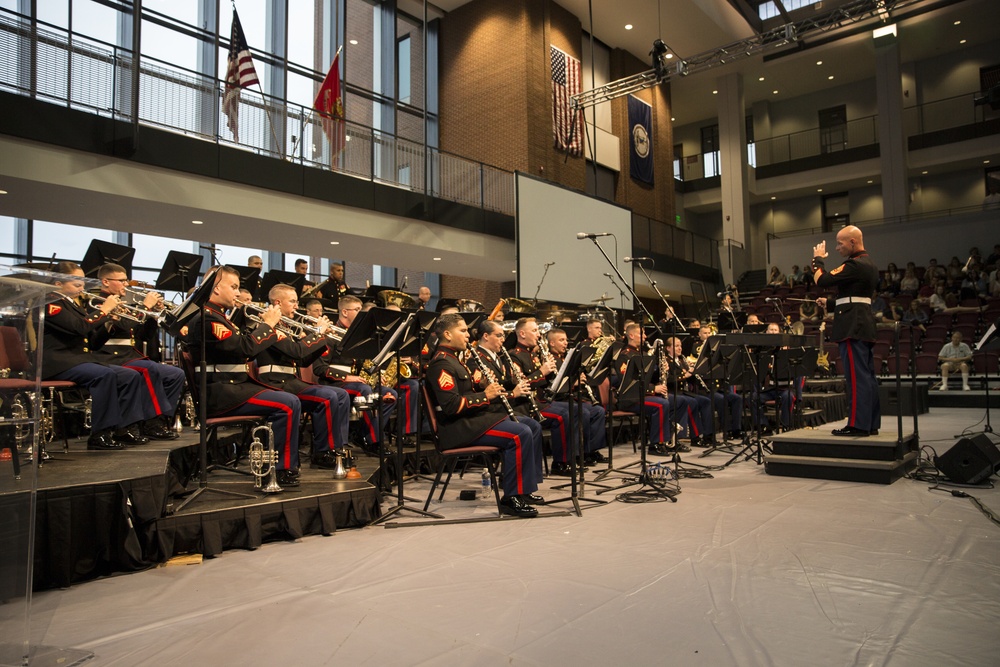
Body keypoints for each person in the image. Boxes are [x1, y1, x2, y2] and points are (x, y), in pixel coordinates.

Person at [186, 266, 302, 486]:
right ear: (217, 287)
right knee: (287, 403)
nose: (238, 293)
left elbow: (244, 349)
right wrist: (267, 325)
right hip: (222, 392)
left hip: (235, 387)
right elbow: (244, 350)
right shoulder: (207, 319)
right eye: (234, 287)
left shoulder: (221, 318)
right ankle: (280, 469)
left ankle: (281, 465)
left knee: (290, 401)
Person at [426, 314, 543, 517]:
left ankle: (524, 489)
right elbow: (452, 406)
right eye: (462, 331)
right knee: (519, 433)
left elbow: (467, 392)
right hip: (457, 428)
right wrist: (485, 395)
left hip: (471, 420)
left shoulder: (455, 359)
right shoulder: (441, 364)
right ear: (447, 334)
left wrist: (482, 388)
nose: (467, 334)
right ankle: (510, 498)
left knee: (532, 425)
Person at [41, 262, 150, 450]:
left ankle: (124, 428)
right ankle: (100, 433)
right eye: (77, 285)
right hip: (59, 362)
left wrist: (108, 324)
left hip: (79, 360)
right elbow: (80, 327)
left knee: (129, 375)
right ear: (58, 284)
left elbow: (92, 342)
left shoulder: (72, 304)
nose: (82, 289)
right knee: (104, 375)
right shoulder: (51, 303)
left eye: (83, 284)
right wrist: (104, 310)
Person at [255, 283, 351, 469]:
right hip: (275, 382)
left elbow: (303, 361)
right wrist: (318, 333)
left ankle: (336, 447)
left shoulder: (285, 326)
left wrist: (323, 339)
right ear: (277, 302)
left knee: (340, 394)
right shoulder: (269, 326)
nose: (296, 306)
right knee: (328, 396)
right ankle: (324, 452)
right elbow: (296, 351)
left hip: (290, 381)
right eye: (292, 301)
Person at [90, 263, 185, 440]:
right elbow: (122, 324)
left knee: (176, 374)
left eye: (126, 280)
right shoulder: (98, 303)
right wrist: (145, 308)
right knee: (150, 369)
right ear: (105, 281)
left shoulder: (122, 304)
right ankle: (151, 422)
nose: (126, 284)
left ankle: (162, 419)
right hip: (109, 357)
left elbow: (143, 337)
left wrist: (151, 316)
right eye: (121, 281)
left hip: (129, 356)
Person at [812, 225, 880, 437]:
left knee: (856, 377)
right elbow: (855, 296)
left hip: (852, 325)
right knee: (866, 377)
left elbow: (822, 280)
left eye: (840, 243)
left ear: (853, 242)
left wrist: (818, 260)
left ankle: (857, 425)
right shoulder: (868, 263)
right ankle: (870, 423)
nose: (837, 247)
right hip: (862, 322)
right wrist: (831, 304)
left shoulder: (854, 264)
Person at [312, 294, 397, 452]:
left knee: (389, 394)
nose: (361, 314)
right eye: (357, 310)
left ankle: (367, 436)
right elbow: (320, 368)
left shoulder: (358, 336)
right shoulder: (329, 335)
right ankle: (372, 442)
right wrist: (347, 377)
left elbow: (362, 366)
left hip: (357, 383)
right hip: (335, 384)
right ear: (345, 312)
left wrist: (376, 377)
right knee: (363, 390)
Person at [614, 323, 694, 454]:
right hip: (631, 397)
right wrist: (653, 389)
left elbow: (650, 377)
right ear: (631, 335)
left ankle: (672, 439)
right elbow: (629, 381)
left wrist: (663, 370)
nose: (645, 337)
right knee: (661, 404)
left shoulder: (644, 353)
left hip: (645, 394)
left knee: (681, 402)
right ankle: (657, 443)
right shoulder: (624, 356)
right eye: (642, 334)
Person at [544, 326, 608, 468]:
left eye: (566, 340)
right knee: (581, 412)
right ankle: (576, 455)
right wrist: (574, 383)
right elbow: (553, 386)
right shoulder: (549, 359)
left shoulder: (567, 358)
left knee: (598, 411)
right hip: (559, 400)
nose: (566, 343)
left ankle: (590, 451)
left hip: (570, 398)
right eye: (561, 340)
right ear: (552, 343)